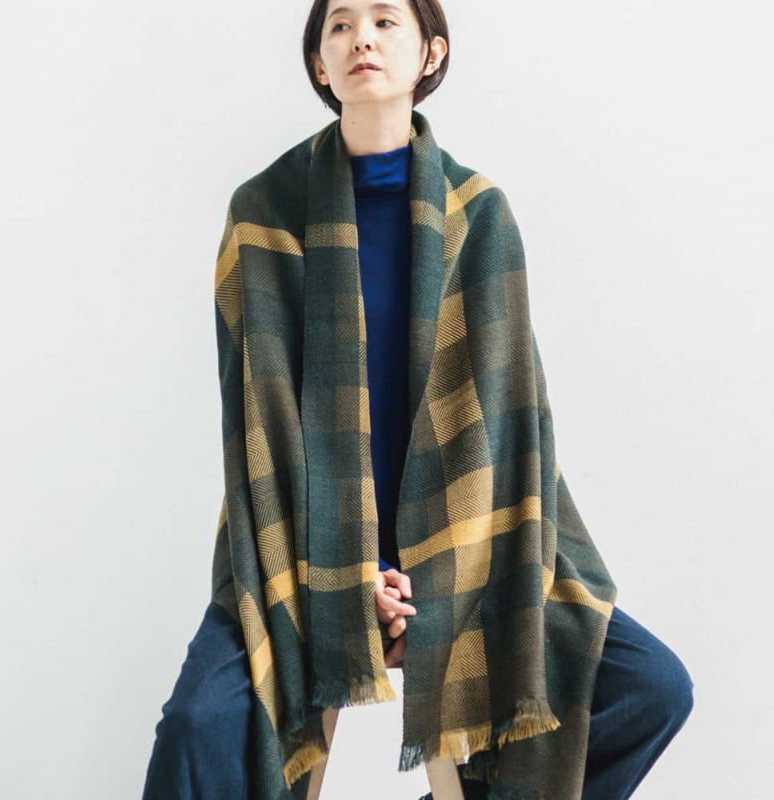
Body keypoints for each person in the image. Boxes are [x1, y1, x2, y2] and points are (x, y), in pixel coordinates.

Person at [141, 2, 694, 798]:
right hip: (301, 552)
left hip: (469, 547)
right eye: (339, 25)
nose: (361, 37)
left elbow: (511, 423)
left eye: (385, 20)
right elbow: (260, 429)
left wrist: (437, 574)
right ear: (319, 64)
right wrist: (349, 575)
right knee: (197, 726)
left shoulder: (480, 214)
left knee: (652, 688)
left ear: (431, 52)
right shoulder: (262, 214)